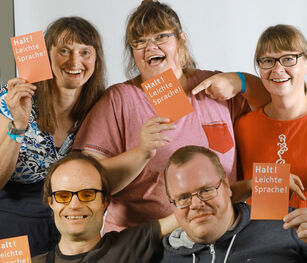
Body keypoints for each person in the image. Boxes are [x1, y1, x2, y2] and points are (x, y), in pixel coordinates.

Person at [72, 0, 270, 234]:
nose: (150, 47)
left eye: (160, 37)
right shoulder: (119, 99)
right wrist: (141, 153)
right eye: (140, 42)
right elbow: (84, 181)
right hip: (147, 243)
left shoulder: (214, 86)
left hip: (219, 238)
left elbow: (274, 105)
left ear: (181, 40)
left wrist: (242, 80)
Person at [0, 17, 106, 256]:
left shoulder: (100, 105)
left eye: (85, 52)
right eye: (64, 51)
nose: (75, 61)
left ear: (96, 59)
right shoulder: (13, 99)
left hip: (69, 228)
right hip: (13, 227)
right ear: (47, 55)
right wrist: (19, 124)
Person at [161, 145, 307, 262]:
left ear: (227, 187)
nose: (195, 204)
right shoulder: (165, 254)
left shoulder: (288, 227)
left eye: (206, 190)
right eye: (183, 198)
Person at [32, 152, 177, 263]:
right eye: (63, 196)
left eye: (87, 195)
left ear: (105, 201)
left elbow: (186, 212)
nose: (74, 205)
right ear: (51, 202)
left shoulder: (131, 245)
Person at [234, 24, 307, 209]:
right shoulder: (243, 126)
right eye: (268, 61)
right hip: (259, 235)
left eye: (288, 58)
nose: (278, 69)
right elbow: (230, 192)